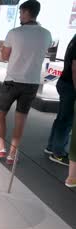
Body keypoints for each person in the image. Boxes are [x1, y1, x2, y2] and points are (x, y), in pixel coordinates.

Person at [0, 0, 52, 164]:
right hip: (32, 83)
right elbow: (45, 50)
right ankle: (12, 155)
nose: (19, 15)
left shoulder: (14, 32)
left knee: (0, 114)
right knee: (21, 119)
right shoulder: (46, 33)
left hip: (12, 80)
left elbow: (4, 56)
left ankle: (1, 148)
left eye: (20, 12)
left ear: (26, 12)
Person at [45, 34, 76, 166]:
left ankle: (52, 147)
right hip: (70, 85)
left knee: (62, 118)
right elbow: (75, 67)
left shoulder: (74, 38)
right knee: (66, 120)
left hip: (66, 82)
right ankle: (58, 153)